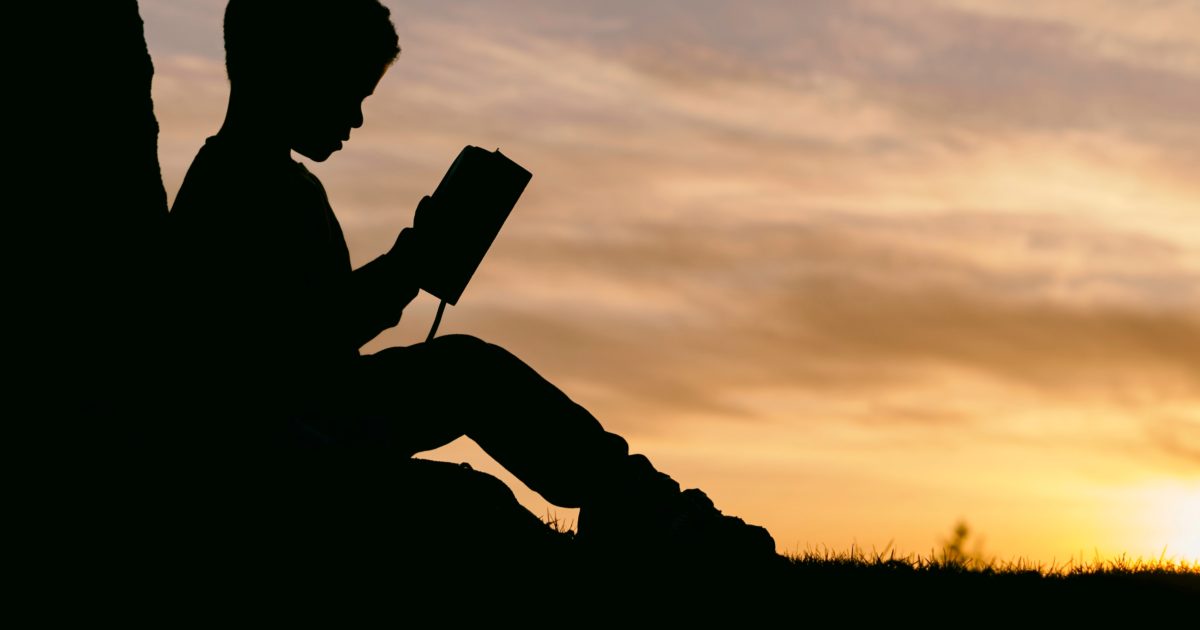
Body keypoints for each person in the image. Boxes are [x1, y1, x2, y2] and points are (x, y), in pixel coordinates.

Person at [167, 0, 775, 562]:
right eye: (348, 91)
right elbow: (288, 351)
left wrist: (411, 260)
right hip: (276, 453)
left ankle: (647, 510)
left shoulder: (281, 183)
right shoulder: (232, 190)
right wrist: (411, 263)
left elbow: (322, 328)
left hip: (318, 415)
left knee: (467, 369)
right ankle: (646, 533)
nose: (354, 118)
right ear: (291, 70)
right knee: (471, 501)